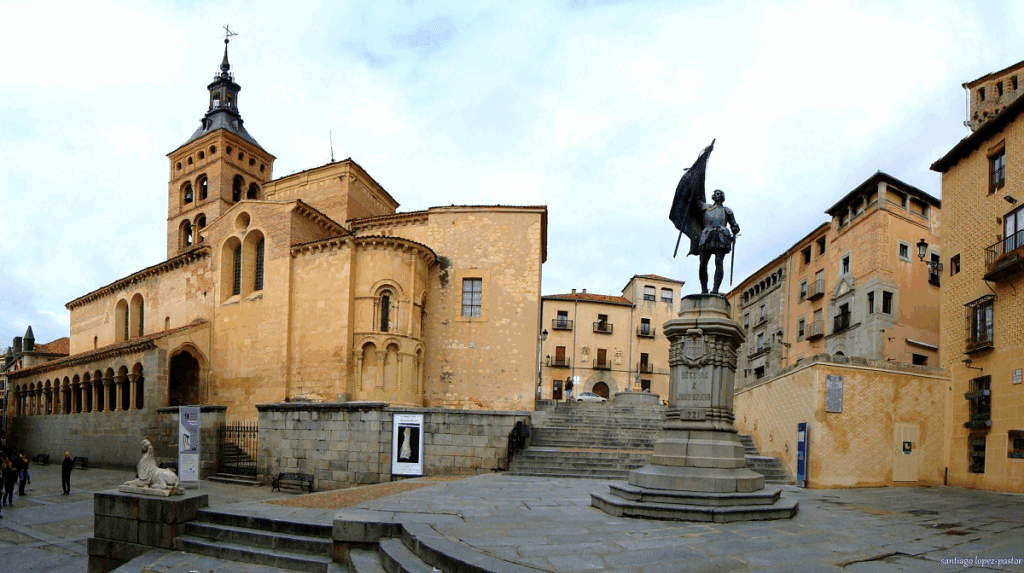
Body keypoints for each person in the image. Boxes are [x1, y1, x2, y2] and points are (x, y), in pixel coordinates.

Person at [695, 189, 740, 295]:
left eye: (718, 194)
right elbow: (694, 200)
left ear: (722, 197)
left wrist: (735, 229)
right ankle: (704, 289)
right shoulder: (705, 207)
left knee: (719, 262)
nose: (716, 195)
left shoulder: (727, 211)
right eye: (715, 194)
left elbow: (734, 224)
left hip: (721, 235)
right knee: (702, 264)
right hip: (707, 235)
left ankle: (715, 288)